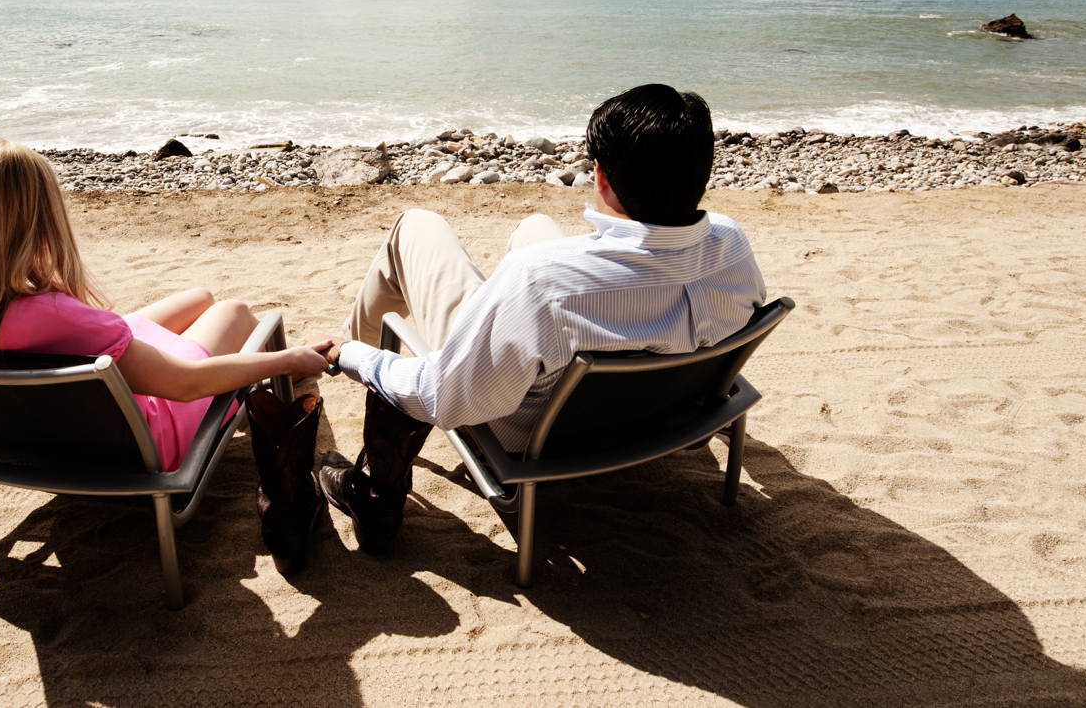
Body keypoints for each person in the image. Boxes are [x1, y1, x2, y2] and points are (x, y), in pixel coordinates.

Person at [307, 84, 768, 553]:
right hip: (651, 414)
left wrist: (352, 356)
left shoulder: (542, 280)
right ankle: (494, 315)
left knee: (416, 226)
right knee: (535, 227)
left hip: (530, 433)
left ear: (602, 177)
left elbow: (439, 395)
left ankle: (332, 370)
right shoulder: (731, 246)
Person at [0, 137, 331, 569]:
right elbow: (186, 384)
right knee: (231, 312)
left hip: (33, 424)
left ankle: (239, 347)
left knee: (200, 297)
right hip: (148, 434)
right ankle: (289, 369)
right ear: (35, 223)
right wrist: (288, 359)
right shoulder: (57, 316)